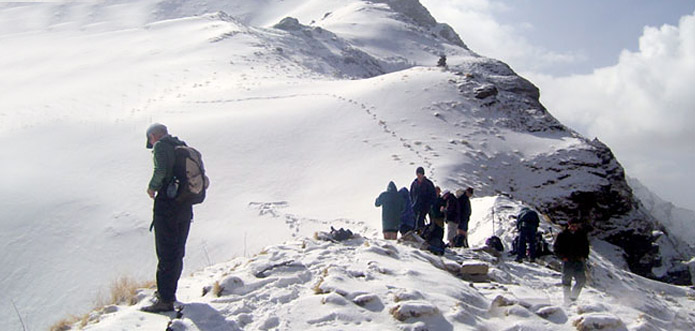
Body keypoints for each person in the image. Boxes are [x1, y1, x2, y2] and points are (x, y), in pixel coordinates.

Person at [142, 123, 194, 313]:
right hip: (185, 205)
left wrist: (152, 187)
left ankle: (164, 299)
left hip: (167, 206)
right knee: (177, 251)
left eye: (150, 139)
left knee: (165, 252)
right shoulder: (181, 145)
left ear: (154, 135)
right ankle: (168, 293)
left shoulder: (161, 147)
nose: (151, 142)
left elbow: (161, 171)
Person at [554, 219, 590, 302]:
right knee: (566, 281)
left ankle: (573, 298)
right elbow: (556, 248)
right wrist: (562, 257)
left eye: (576, 226)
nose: (575, 228)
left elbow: (586, 247)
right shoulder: (562, 235)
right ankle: (567, 300)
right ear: (569, 225)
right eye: (573, 226)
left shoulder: (582, 235)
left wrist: (584, 256)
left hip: (578, 261)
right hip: (567, 261)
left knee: (581, 281)